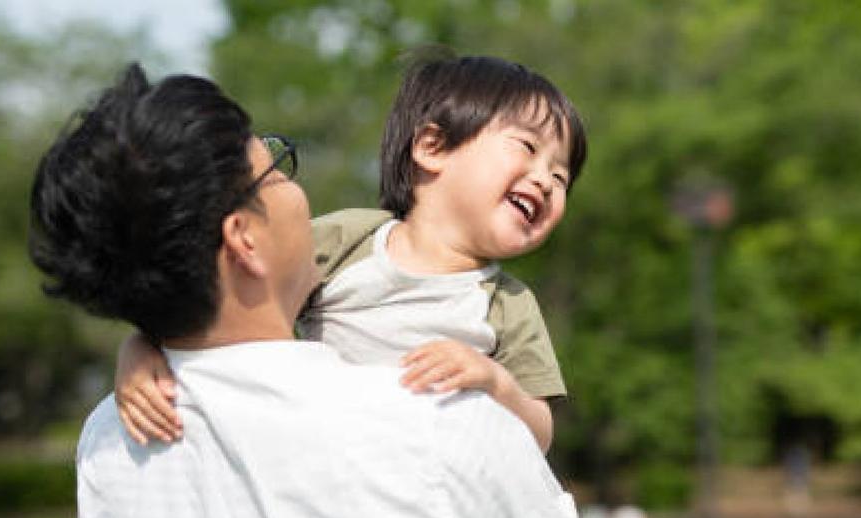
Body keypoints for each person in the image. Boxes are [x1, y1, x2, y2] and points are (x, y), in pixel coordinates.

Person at [29, 63, 604, 518]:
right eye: (276, 170)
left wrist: (144, 346)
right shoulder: (448, 427)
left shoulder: (111, 442)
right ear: (244, 239)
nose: (300, 194)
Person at [116, 53, 586, 457]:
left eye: (561, 177)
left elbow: (539, 436)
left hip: (428, 478)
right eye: (527, 147)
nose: (546, 180)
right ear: (433, 147)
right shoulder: (354, 240)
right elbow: (225, 293)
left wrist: (495, 382)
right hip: (317, 451)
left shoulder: (507, 303)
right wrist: (140, 348)